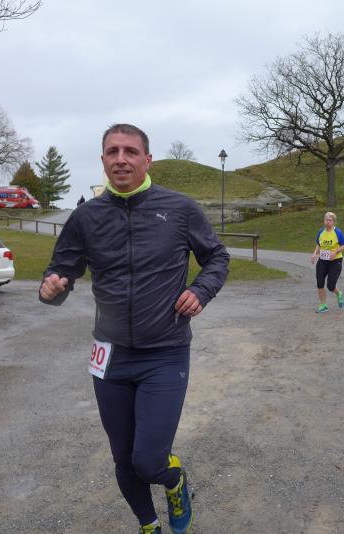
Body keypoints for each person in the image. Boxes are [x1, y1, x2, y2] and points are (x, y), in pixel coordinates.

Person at [39, 123, 229, 534]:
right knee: (123, 459)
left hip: (165, 352)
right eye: (112, 152)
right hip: (110, 357)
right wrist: (50, 288)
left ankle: (173, 479)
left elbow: (217, 257)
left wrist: (201, 290)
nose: (121, 159)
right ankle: (149, 524)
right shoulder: (86, 217)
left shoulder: (179, 209)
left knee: (149, 460)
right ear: (103, 160)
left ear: (147, 159)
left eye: (130, 151)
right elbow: (61, 272)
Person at [310, 212, 344, 313]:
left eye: (330, 220)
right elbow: (318, 244)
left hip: (335, 261)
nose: (328, 222)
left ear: (334, 222)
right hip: (322, 260)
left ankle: (339, 294)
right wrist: (314, 254)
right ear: (324, 221)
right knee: (320, 283)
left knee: (331, 286)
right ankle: (323, 305)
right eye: (326, 220)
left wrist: (335, 251)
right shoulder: (321, 232)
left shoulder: (337, 232)